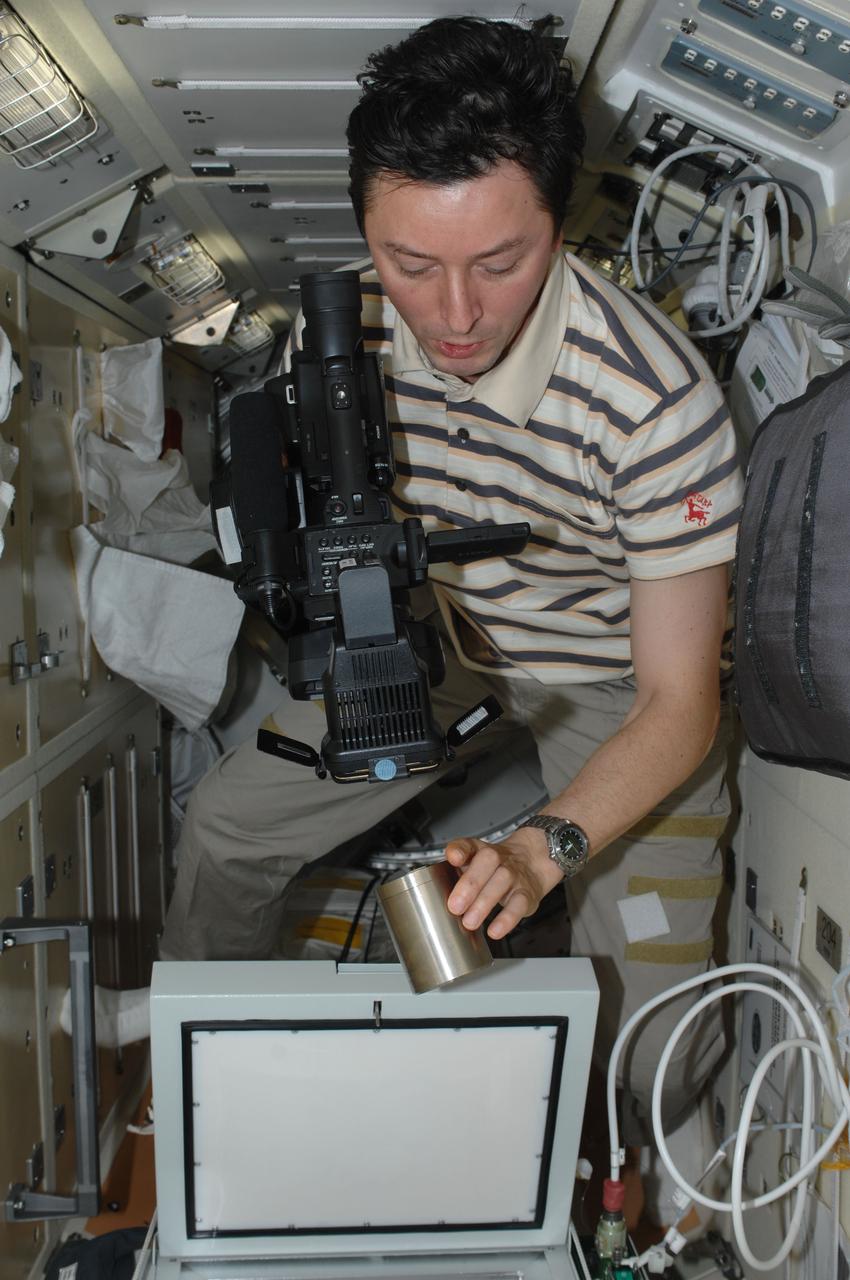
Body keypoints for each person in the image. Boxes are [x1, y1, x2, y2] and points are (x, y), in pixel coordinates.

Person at [160, 15, 742, 1213]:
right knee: (225, 830)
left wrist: (543, 849)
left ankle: (593, 1181)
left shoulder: (653, 402)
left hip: (616, 684)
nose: (456, 312)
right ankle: (206, 1092)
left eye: (501, 260)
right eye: (410, 262)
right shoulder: (349, 333)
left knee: (660, 1060)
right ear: (368, 231)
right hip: (442, 645)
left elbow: (684, 700)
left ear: (560, 224)